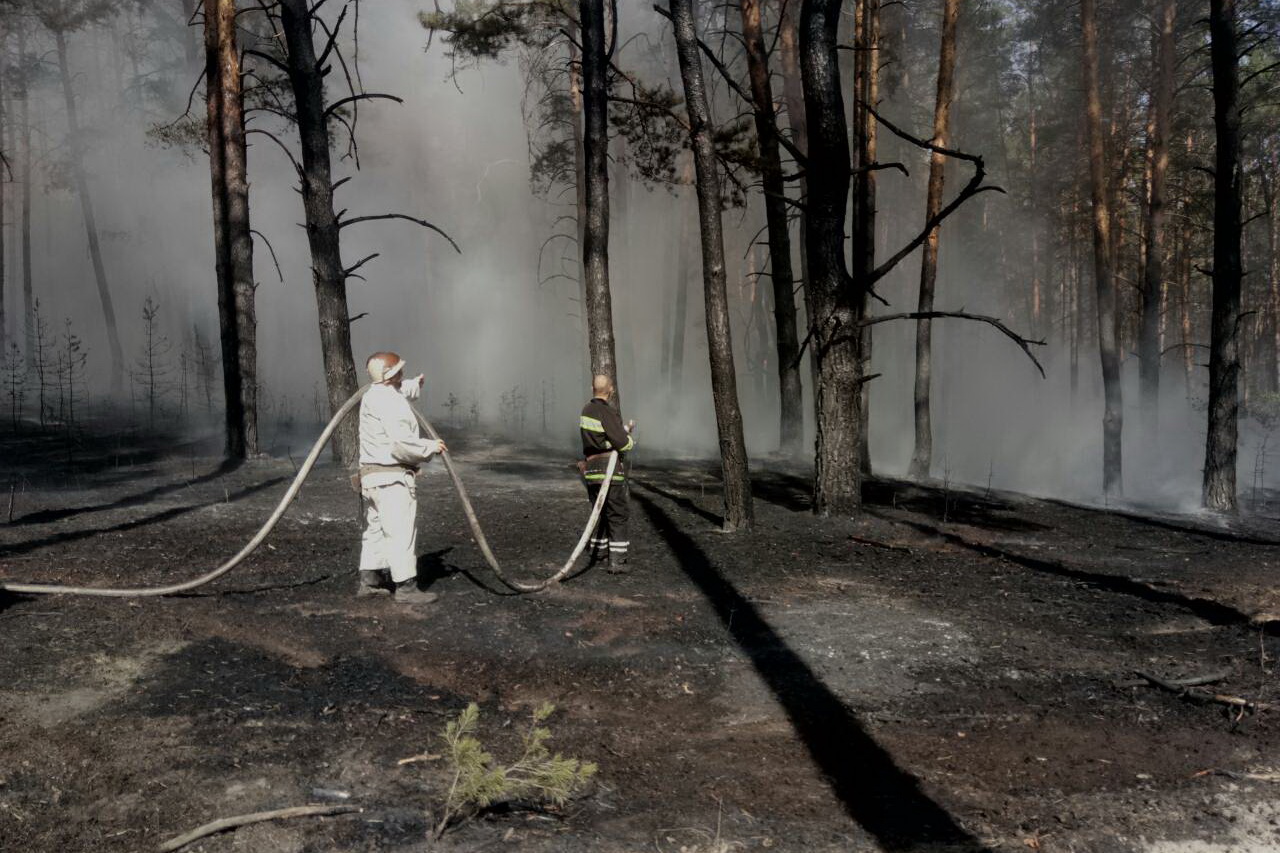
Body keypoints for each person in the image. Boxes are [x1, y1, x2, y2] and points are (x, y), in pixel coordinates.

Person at [357, 351, 445, 604]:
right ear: (391, 374)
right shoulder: (390, 403)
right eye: (399, 371)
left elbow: (397, 390)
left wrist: (415, 384)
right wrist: (430, 446)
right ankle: (406, 588)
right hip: (392, 480)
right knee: (400, 532)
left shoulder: (374, 394)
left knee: (376, 530)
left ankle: (370, 582)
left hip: (372, 479)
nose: (402, 374)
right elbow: (401, 444)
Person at [579, 374, 635, 572]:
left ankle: (598, 552)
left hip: (591, 470)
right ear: (610, 390)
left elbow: (598, 439)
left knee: (599, 512)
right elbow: (622, 443)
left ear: (592, 388)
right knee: (617, 513)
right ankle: (617, 561)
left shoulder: (586, 410)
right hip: (609, 472)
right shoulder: (607, 412)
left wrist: (618, 434)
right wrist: (629, 438)